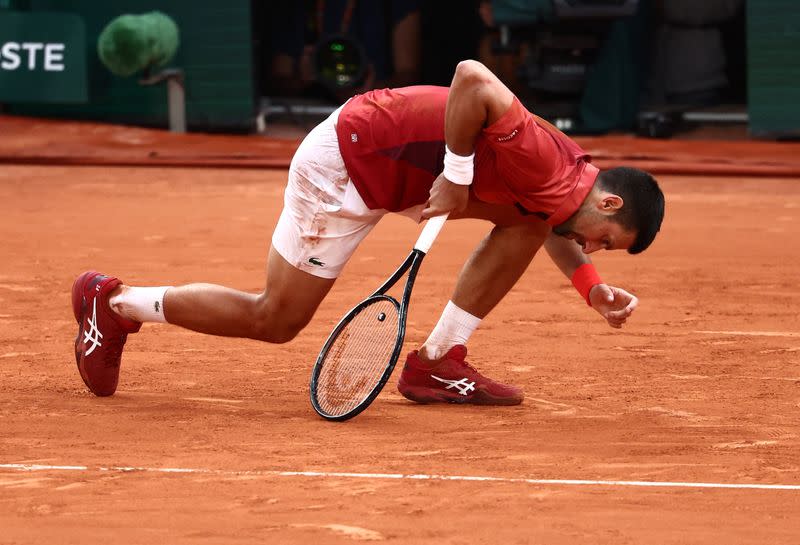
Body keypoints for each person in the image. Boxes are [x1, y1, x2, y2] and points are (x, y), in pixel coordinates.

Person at [72, 59, 664, 405]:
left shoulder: (565, 186)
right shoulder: (543, 155)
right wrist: (457, 176)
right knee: (275, 319)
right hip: (350, 163)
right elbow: (472, 78)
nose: (593, 248)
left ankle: (437, 360)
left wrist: (590, 286)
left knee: (526, 225)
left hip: (408, 175)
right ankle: (117, 304)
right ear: (608, 201)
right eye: (605, 239)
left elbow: (550, 225)